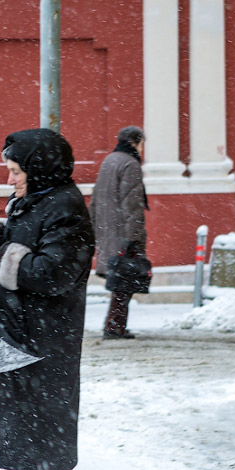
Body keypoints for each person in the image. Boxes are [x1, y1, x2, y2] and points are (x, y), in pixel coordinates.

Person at [0, 128, 94, 470]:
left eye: (14, 171)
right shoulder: (36, 200)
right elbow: (29, 246)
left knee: (44, 416)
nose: (9, 179)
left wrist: (7, 254)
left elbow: (53, 273)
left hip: (47, 334)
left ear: (38, 169)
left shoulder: (66, 208)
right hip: (23, 328)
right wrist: (1, 234)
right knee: (24, 414)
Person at [89, 125, 148, 339]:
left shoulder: (109, 160)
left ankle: (115, 324)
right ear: (136, 142)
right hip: (123, 233)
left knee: (121, 281)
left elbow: (95, 199)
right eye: (142, 144)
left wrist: (95, 227)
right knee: (126, 281)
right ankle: (114, 326)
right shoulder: (130, 163)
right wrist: (134, 237)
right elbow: (132, 204)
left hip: (108, 230)